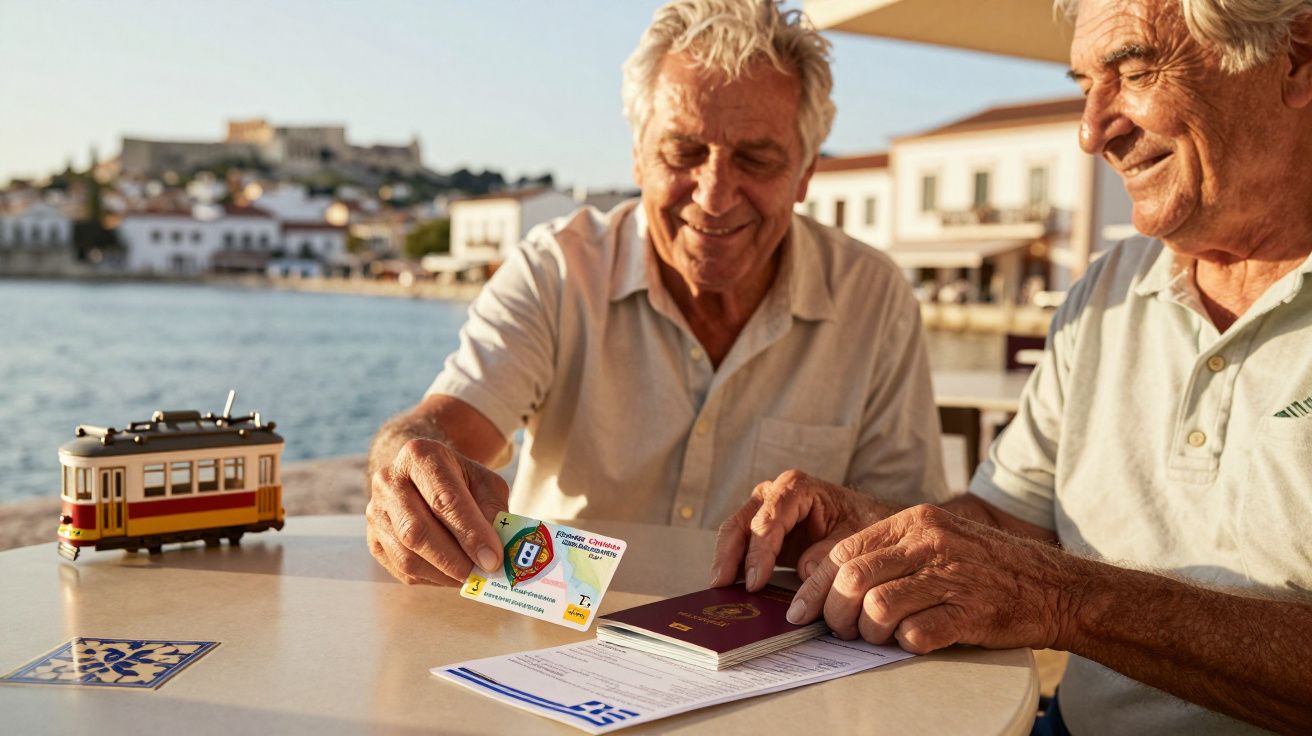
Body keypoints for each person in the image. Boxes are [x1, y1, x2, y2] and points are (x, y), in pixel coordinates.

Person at [711, 0, 1312, 732]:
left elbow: (1042, 577)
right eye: (1085, 84)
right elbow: (1009, 521)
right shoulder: (1109, 285)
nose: (1093, 131)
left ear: (1297, 58)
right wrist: (882, 529)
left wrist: (1066, 600)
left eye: (1133, 70)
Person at [365, 0, 946, 590]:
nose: (715, 196)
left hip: (775, 658)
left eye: (756, 158)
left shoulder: (873, 298)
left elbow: (902, 527)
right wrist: (409, 470)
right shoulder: (557, 270)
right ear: (638, 157)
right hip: (556, 644)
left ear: (804, 175)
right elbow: (440, 431)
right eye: (684, 152)